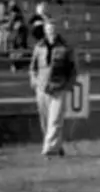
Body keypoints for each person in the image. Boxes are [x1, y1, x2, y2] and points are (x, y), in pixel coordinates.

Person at [29, 18, 78, 157]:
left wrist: (68, 85)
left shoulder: (66, 47)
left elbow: (73, 69)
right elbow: (33, 67)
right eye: (49, 29)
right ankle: (57, 145)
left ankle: (49, 150)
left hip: (59, 87)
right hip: (42, 89)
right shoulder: (39, 47)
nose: (52, 32)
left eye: (54, 29)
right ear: (45, 30)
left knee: (55, 120)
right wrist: (35, 81)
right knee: (45, 121)